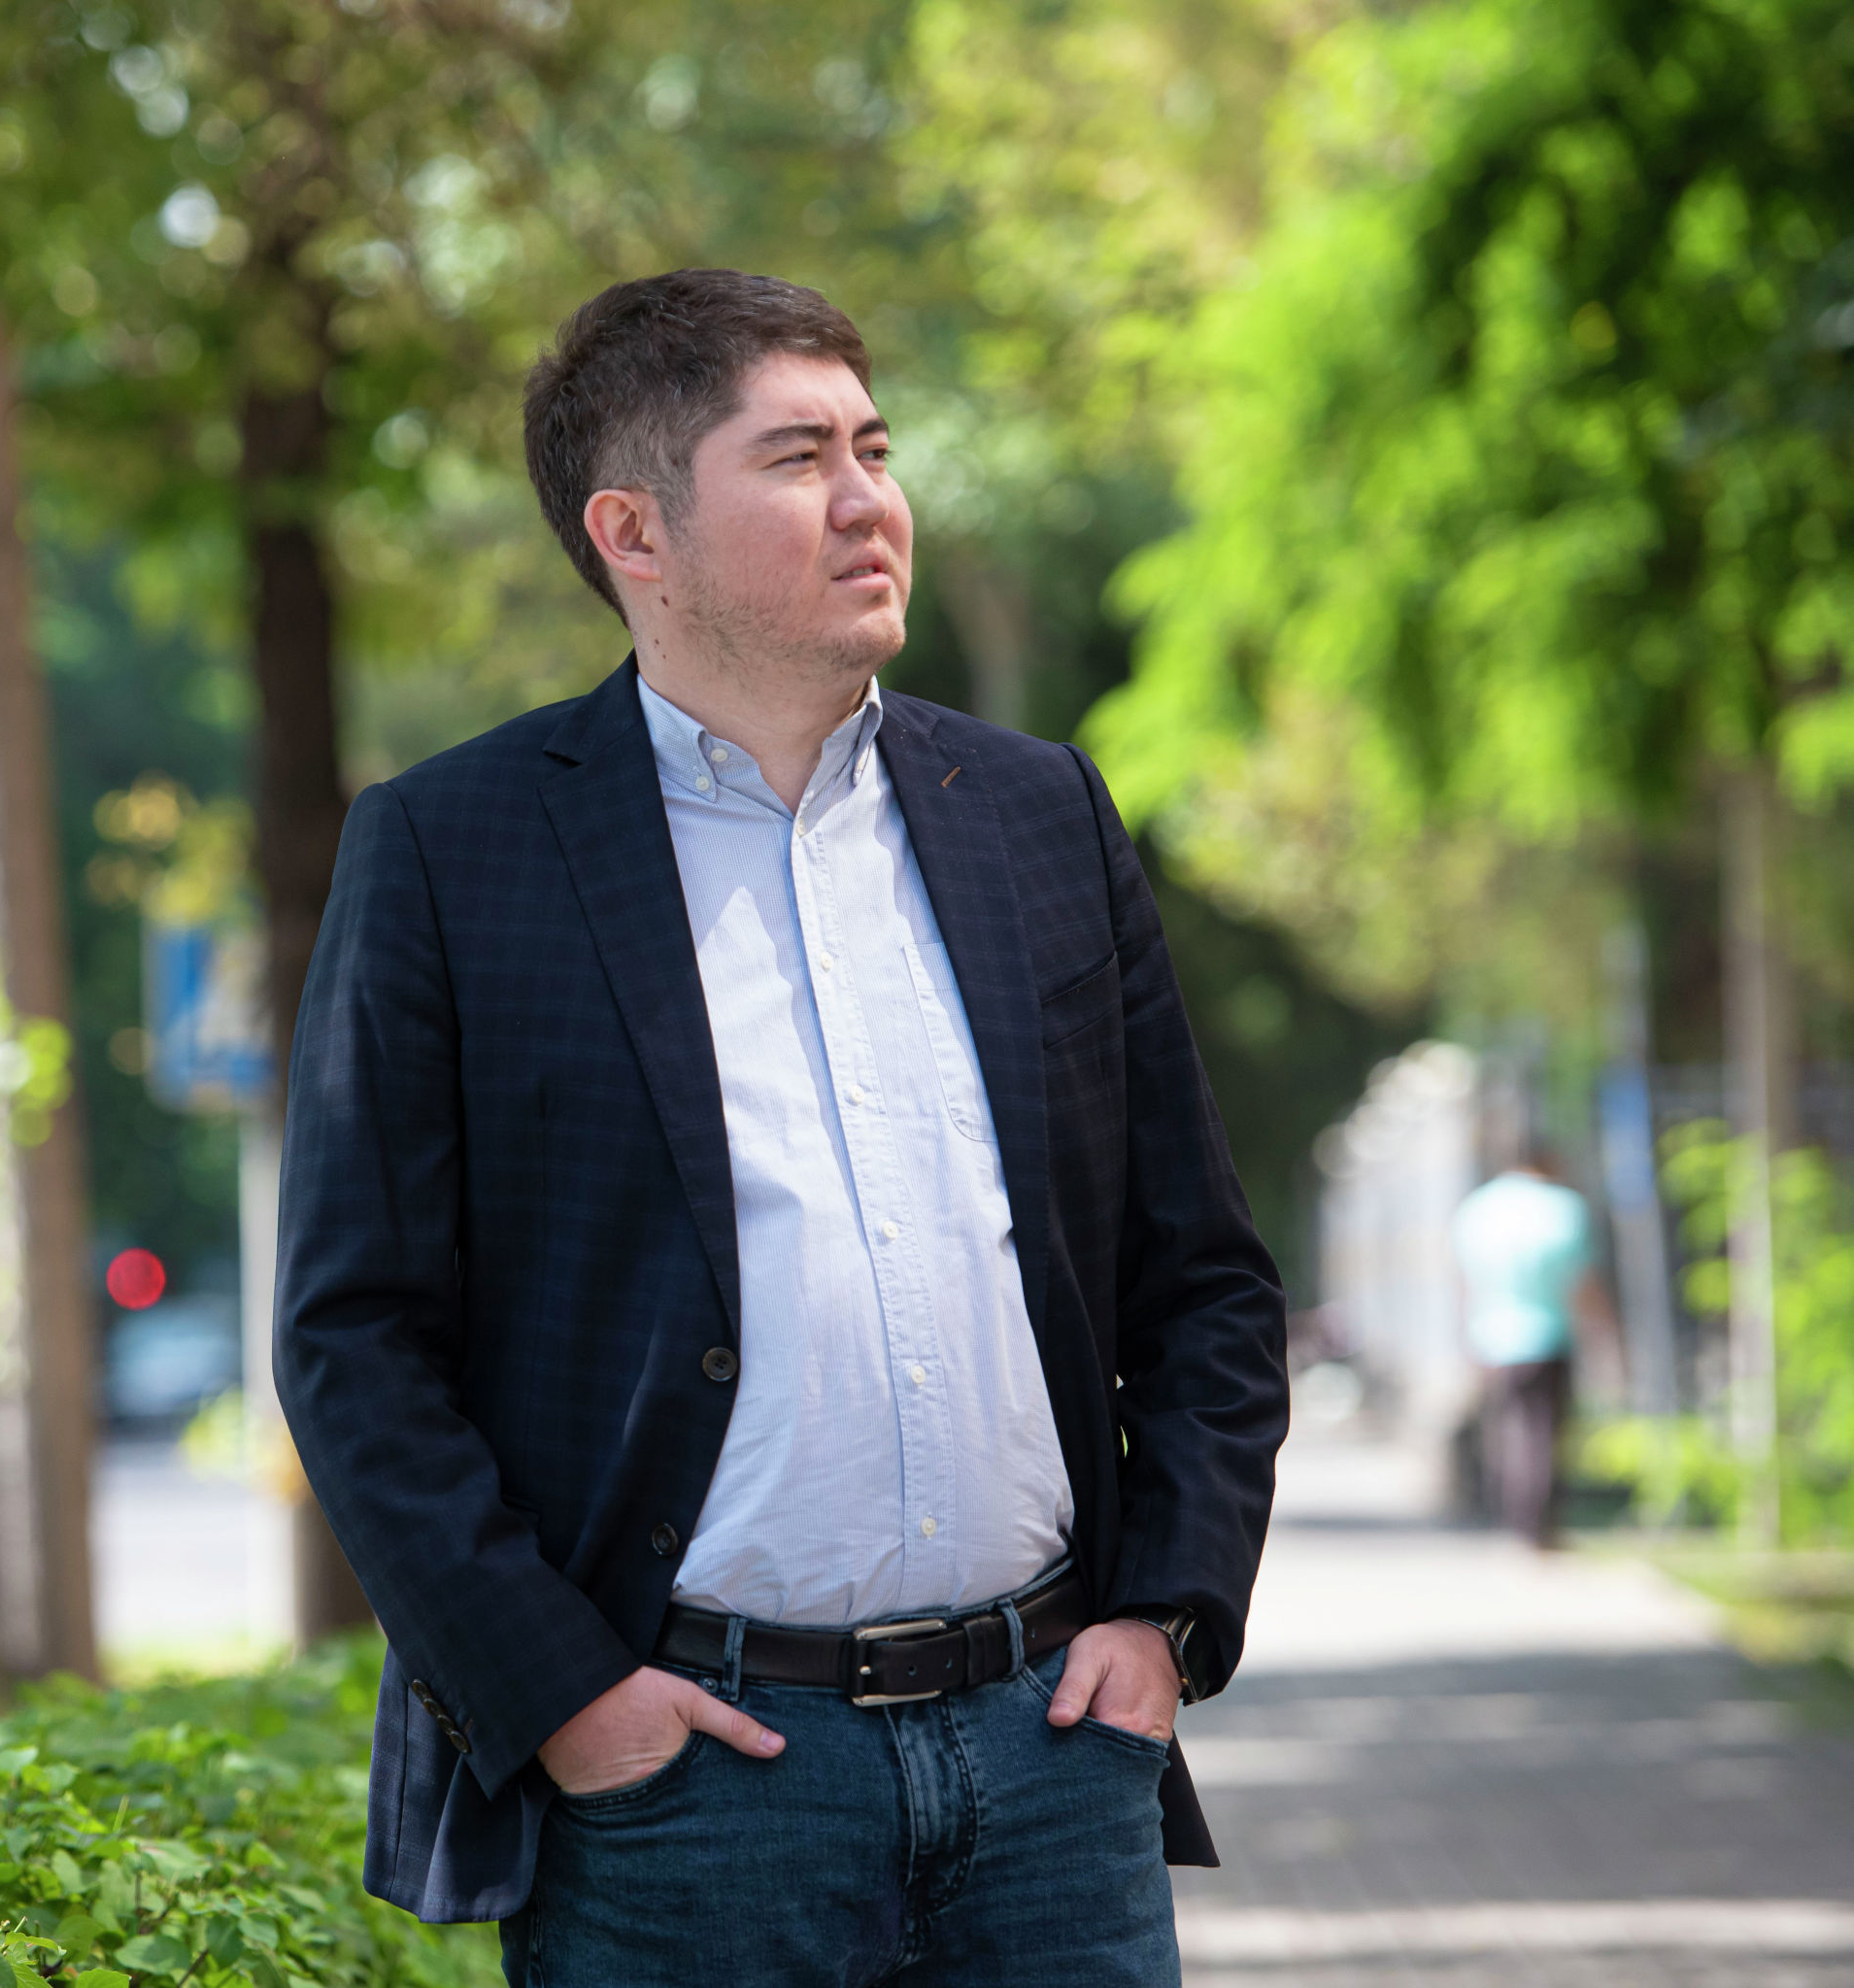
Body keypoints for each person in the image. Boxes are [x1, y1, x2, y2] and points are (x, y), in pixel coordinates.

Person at [274, 268, 1291, 1986]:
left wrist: (1165, 1615)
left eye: (872, 448)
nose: (865, 498)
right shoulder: (452, 850)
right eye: (795, 456)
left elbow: (1199, 1274)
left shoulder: (1038, 812)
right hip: (688, 1792)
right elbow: (351, 1337)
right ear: (632, 532)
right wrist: (566, 1698)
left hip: (1053, 1756)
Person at [1450, 1149, 1600, 1546]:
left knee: (1507, 1433)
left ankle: (1513, 1520)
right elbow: (1582, 1281)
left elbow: (1464, 1282)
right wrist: (1604, 1334)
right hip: (1549, 1336)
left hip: (1491, 1339)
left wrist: (1465, 1339)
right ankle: (1538, 1526)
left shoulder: (1478, 1209)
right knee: (1543, 1433)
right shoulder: (1564, 1208)